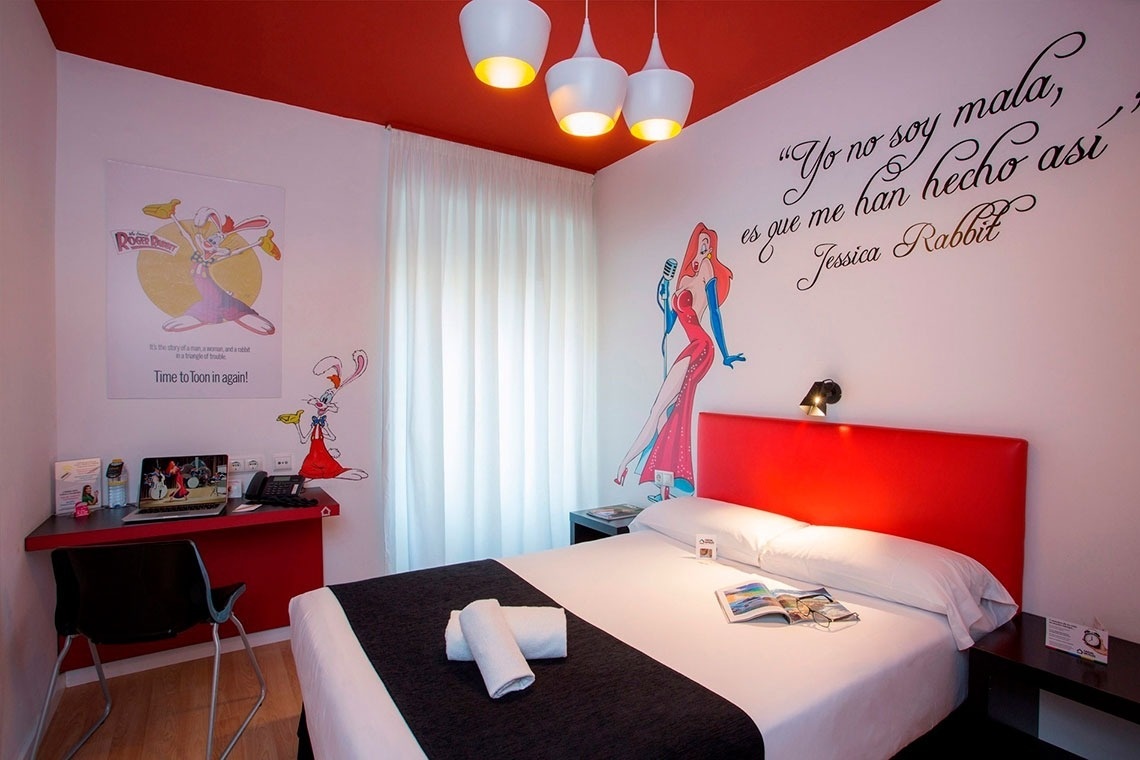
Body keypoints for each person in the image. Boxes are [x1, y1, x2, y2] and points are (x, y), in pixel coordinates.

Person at [615, 222, 745, 498]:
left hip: (702, 347)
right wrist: (664, 290)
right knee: (663, 413)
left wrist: (725, 353)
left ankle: (625, 464)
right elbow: (670, 323)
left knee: (660, 409)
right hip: (690, 346)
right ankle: (663, 486)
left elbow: (714, 315)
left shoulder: (707, 273)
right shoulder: (683, 280)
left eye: (708, 243)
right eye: (701, 241)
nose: (704, 246)